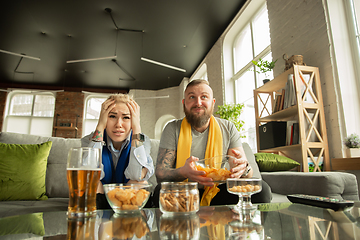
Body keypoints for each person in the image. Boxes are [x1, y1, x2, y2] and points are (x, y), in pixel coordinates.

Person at [154, 79, 272, 206]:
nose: (198, 103)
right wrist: (183, 172)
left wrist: (243, 169)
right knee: (158, 193)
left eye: (204, 97)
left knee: (262, 190)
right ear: (184, 103)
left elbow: (245, 172)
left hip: (217, 193)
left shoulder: (228, 127)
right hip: (184, 194)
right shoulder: (172, 128)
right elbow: (160, 174)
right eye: (192, 97)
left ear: (213, 102)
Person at [82, 93, 154, 209]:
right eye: (112, 116)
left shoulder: (142, 141)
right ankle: (95, 224)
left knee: (140, 184)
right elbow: (89, 174)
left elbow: (137, 175)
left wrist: (137, 129)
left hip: (126, 197)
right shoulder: (89, 140)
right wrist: (100, 125)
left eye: (126, 117)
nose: (118, 124)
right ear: (104, 117)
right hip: (100, 197)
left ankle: (132, 225)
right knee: (90, 184)